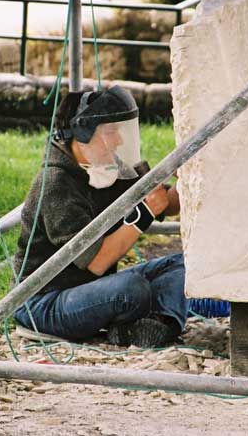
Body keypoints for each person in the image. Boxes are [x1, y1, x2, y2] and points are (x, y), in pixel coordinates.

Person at [12, 85, 186, 347]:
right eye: (110, 132)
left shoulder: (107, 167)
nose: (119, 140)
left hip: (92, 290)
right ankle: (130, 325)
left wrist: (189, 179)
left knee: (182, 265)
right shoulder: (55, 183)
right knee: (132, 288)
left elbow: (167, 204)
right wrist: (146, 212)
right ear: (82, 132)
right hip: (43, 303)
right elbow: (98, 261)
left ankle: (159, 326)